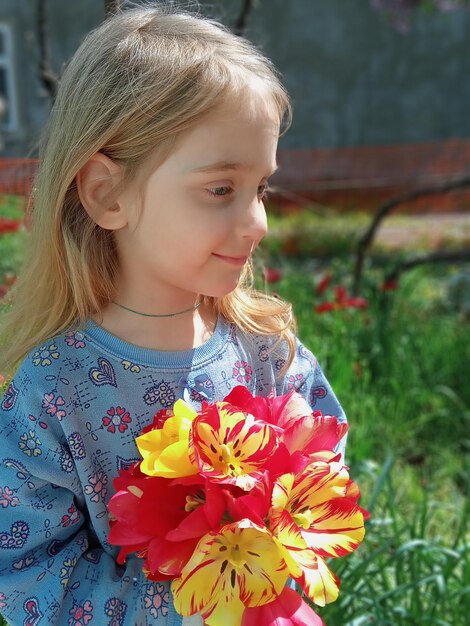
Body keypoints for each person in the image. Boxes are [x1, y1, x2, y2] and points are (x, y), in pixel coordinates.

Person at [0, 5, 346, 625]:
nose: (257, 221)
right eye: (221, 190)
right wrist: (191, 605)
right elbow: (28, 575)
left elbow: (324, 477)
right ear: (108, 194)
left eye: (261, 188)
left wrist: (275, 531)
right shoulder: (51, 390)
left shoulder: (266, 353)